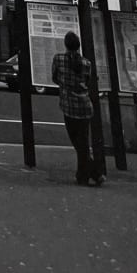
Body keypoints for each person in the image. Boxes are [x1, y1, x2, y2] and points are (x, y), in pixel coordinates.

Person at [51, 30, 103, 186]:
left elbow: (55, 77)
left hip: (69, 105)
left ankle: (87, 175)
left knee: (78, 143)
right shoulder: (87, 63)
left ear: (66, 45)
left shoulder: (59, 59)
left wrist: (65, 84)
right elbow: (88, 81)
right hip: (85, 105)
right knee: (83, 142)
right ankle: (91, 174)